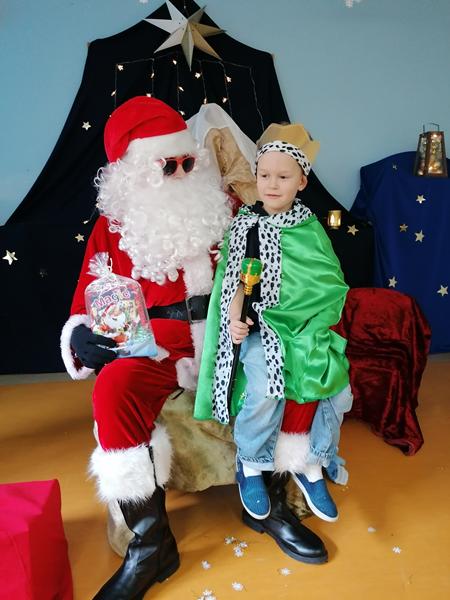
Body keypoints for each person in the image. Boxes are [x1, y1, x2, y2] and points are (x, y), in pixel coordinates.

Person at [60, 98, 329, 600]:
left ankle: (269, 505)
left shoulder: (228, 208)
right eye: (169, 166)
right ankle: (151, 546)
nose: (185, 174)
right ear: (136, 172)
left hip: (232, 332)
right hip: (156, 344)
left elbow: (273, 267)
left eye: (189, 162)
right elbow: (85, 300)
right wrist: (78, 334)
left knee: (286, 362)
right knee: (114, 388)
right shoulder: (112, 228)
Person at [195, 122, 353, 526]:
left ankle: (311, 461)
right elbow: (233, 281)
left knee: (329, 379)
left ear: (301, 181)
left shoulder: (309, 228)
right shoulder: (245, 224)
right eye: (264, 175)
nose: (272, 184)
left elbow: (329, 281)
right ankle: (250, 461)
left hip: (305, 325)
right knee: (267, 385)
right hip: (261, 327)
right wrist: (235, 319)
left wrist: (314, 323)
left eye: (283, 177)